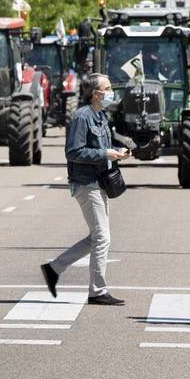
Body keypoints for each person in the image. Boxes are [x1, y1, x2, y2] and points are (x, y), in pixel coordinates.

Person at [40, 72, 130, 306]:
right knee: (102, 237)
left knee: (95, 237)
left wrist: (118, 153)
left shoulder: (101, 116)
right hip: (86, 183)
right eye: (107, 88)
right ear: (95, 93)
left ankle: (53, 269)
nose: (111, 92)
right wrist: (105, 153)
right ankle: (98, 292)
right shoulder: (82, 117)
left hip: (99, 182)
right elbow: (73, 151)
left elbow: (104, 147)